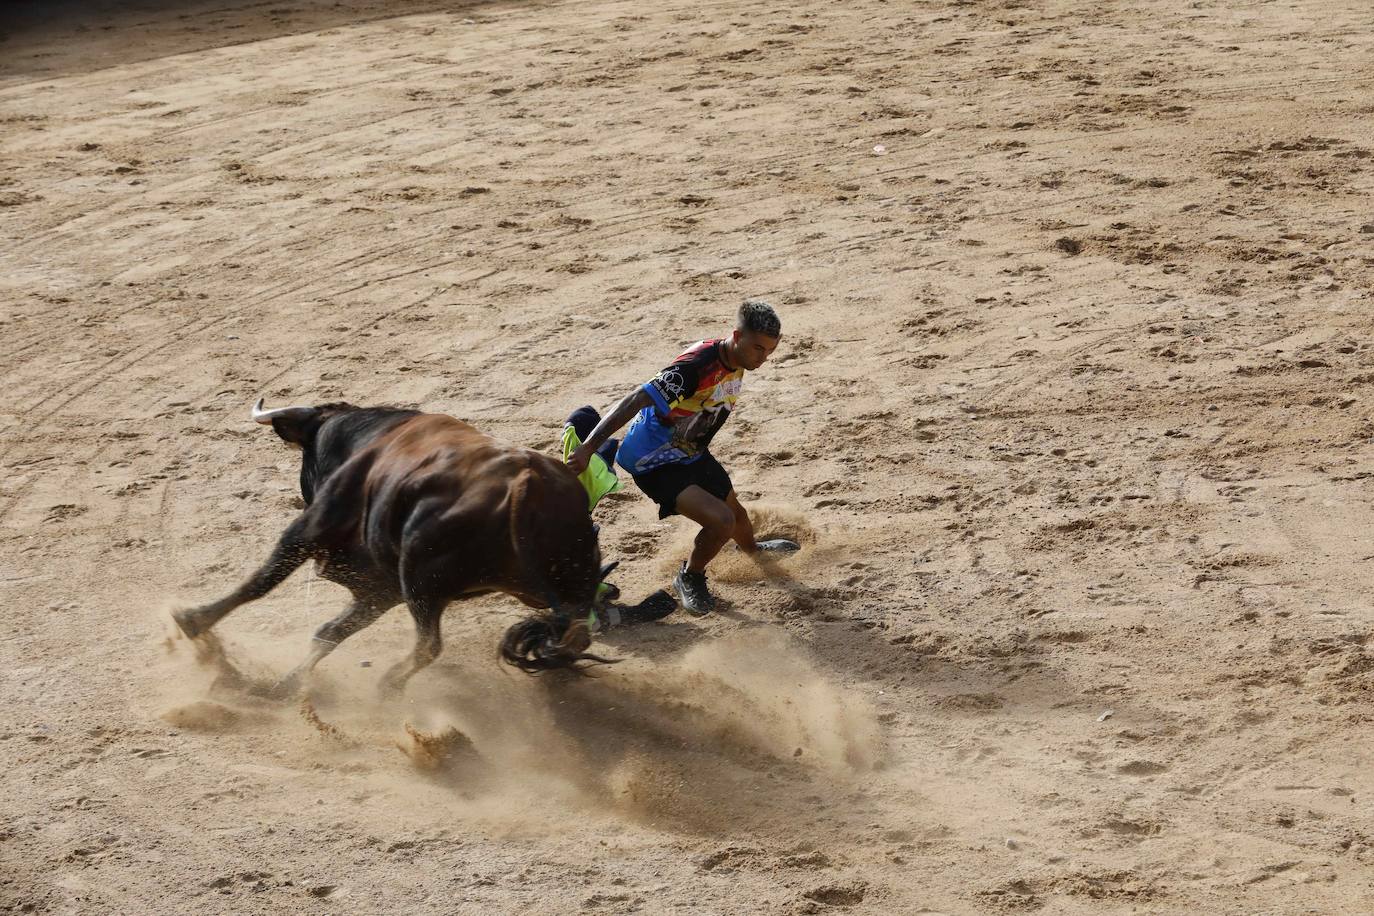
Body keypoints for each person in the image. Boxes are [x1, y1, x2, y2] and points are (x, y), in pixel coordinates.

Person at [566, 299, 799, 615]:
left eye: (769, 351)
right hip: (653, 461)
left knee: (738, 516)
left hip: (689, 451)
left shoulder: (738, 358)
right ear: (736, 336)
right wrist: (589, 447)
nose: (763, 358)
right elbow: (636, 398)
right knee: (722, 521)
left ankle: (753, 550)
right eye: (758, 349)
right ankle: (689, 576)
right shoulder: (696, 366)